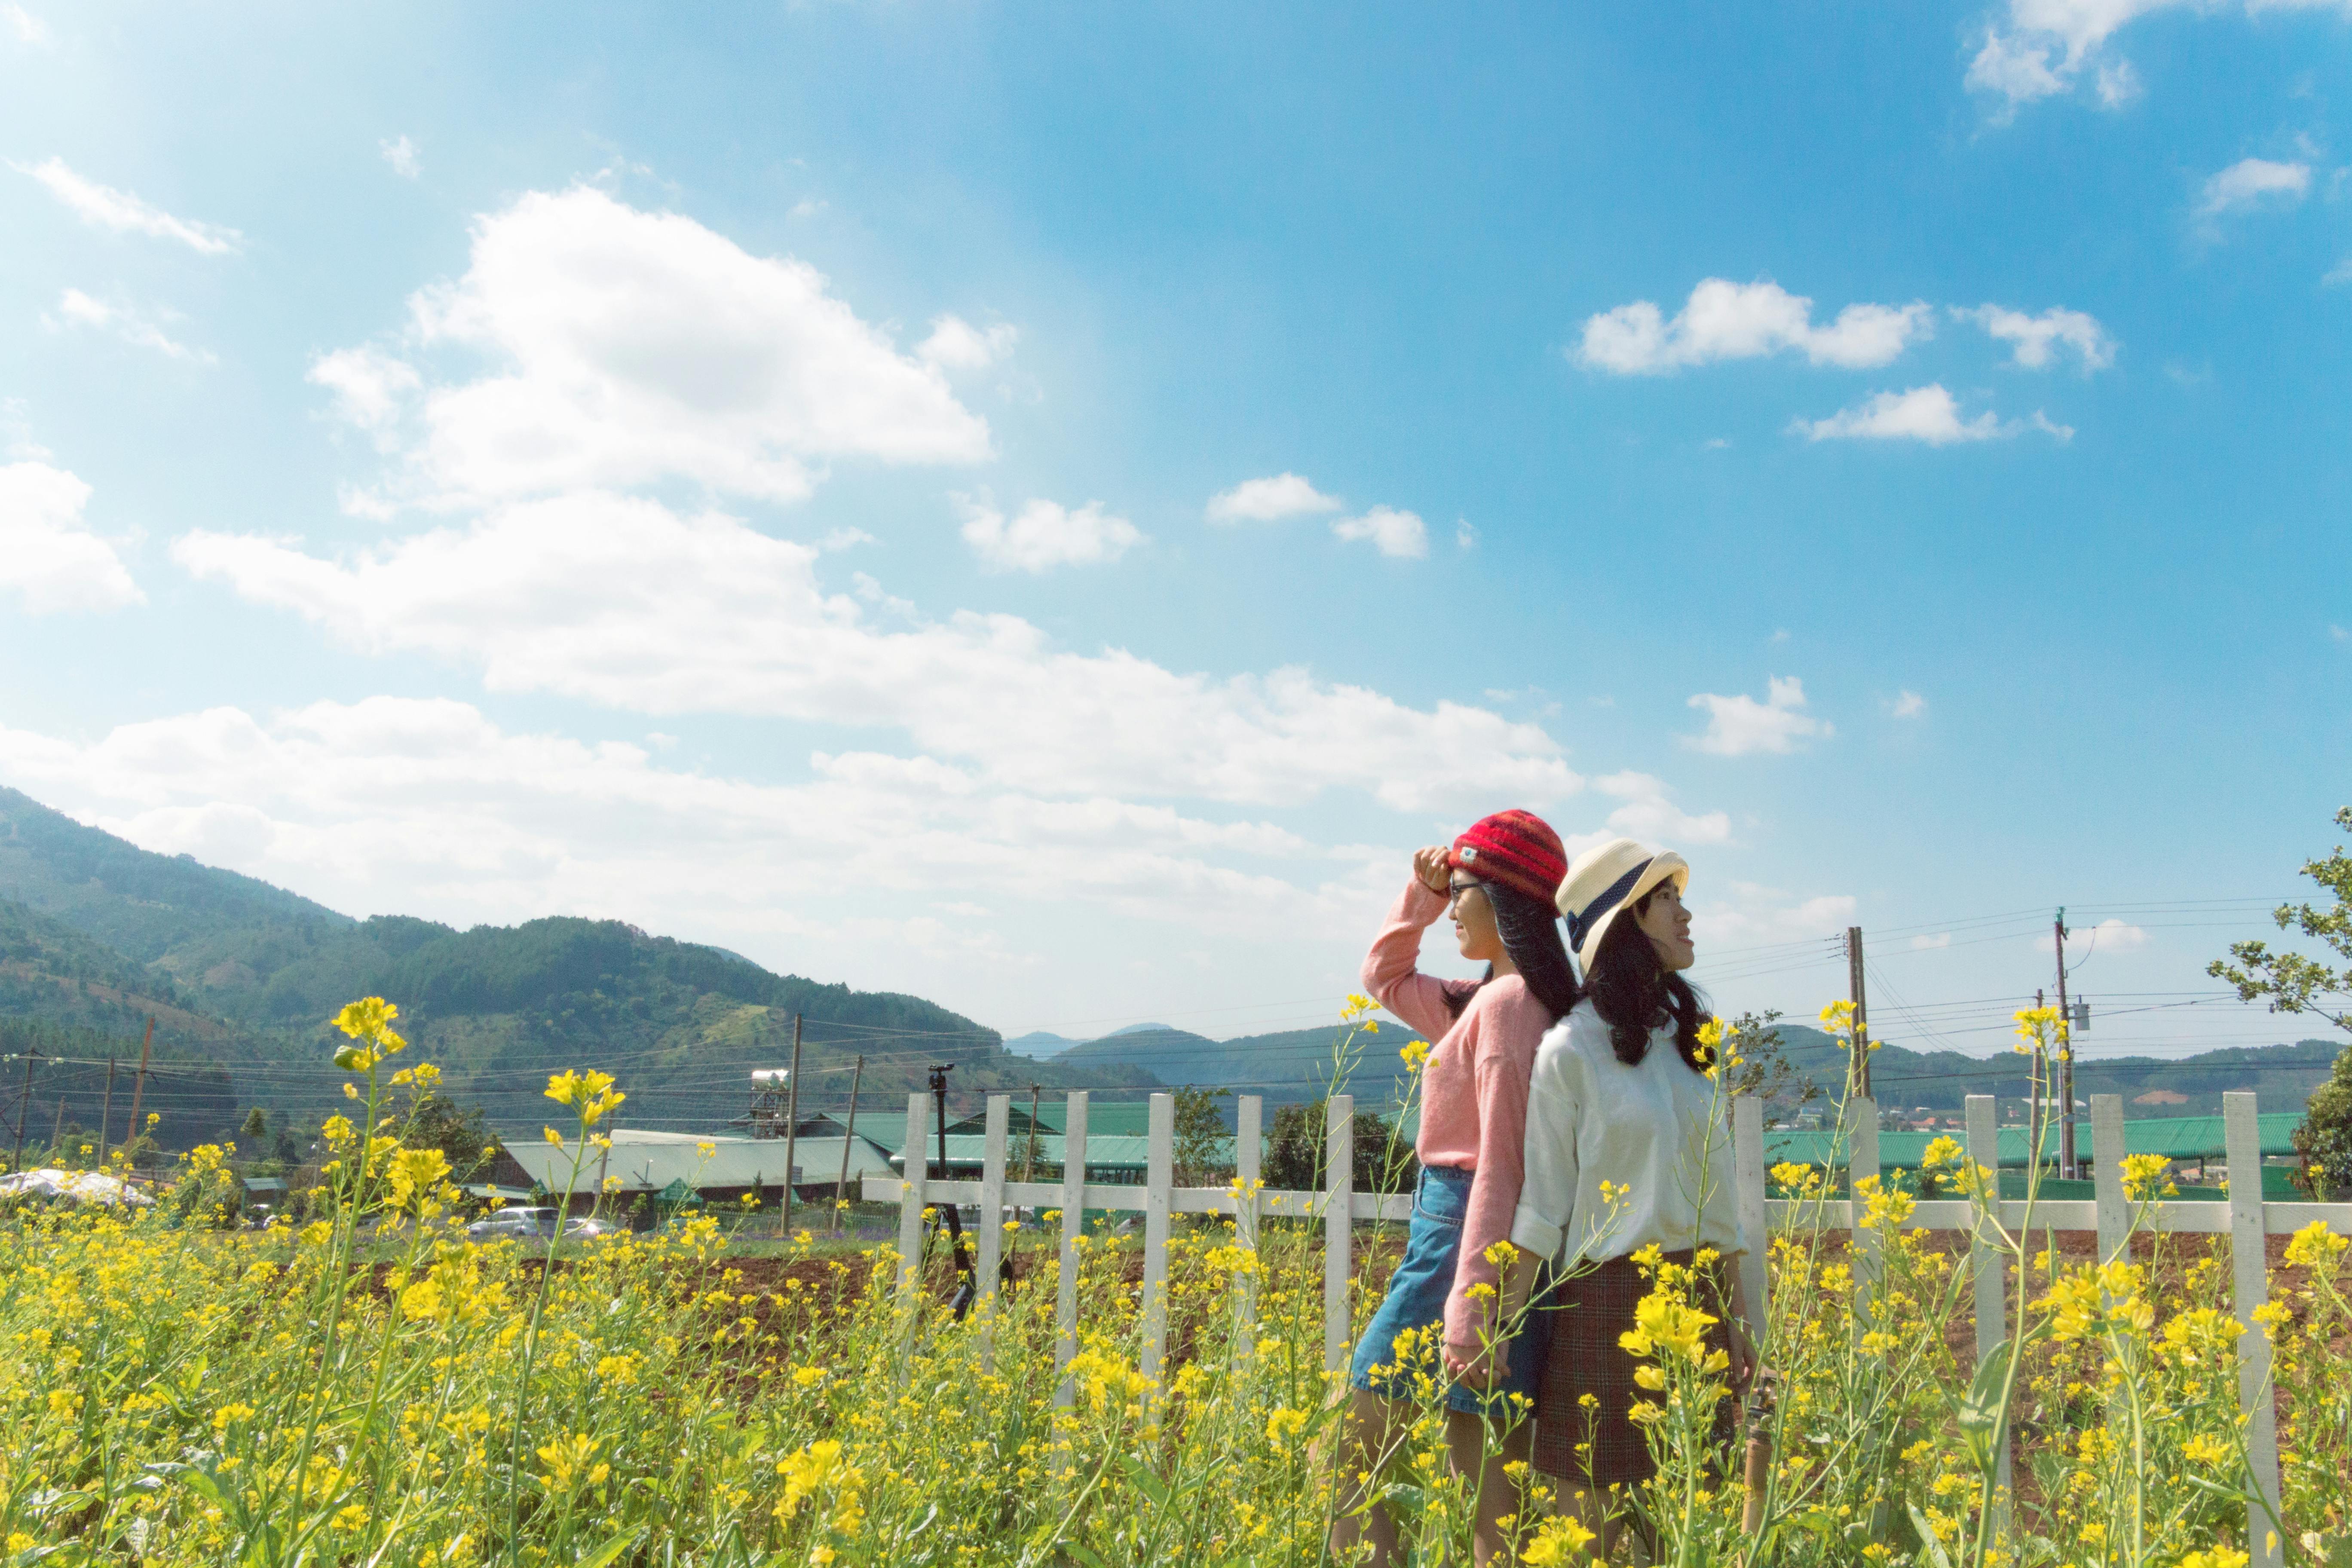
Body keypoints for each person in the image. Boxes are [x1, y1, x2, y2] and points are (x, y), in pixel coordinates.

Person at [1495, 836, 1756, 1558]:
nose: (1687, 913)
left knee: (1683, 1526)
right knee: (1593, 1534)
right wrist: (1498, 1331)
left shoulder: (1693, 1046)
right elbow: (1544, 1208)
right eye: (1667, 898)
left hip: (1696, 1295)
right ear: (1624, 923)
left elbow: (1723, 1210)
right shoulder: (1569, 1051)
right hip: (1604, 1301)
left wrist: (1740, 1321)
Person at [1335, 809, 1582, 1568]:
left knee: (1357, 1441)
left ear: (1504, 902)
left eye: (1463, 892)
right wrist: (1423, 889)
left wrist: (1474, 1313)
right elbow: (1384, 977)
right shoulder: (1492, 1000)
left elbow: (1500, 1164)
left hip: (1464, 1237)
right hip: (1497, 1245)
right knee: (1483, 1474)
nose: (1452, 911)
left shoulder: (1505, 1007)